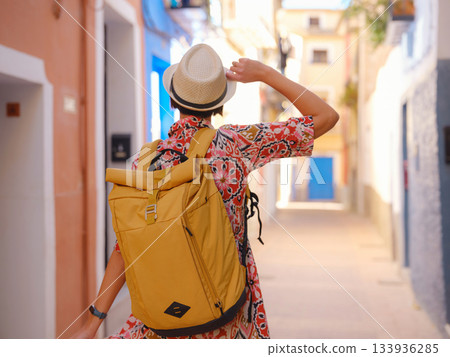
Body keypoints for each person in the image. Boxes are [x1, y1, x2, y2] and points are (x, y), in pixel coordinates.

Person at [72, 43, 339, 339]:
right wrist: (266, 74)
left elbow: (125, 248)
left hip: (162, 323)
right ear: (220, 104)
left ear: (173, 100)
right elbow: (326, 117)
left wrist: (93, 323)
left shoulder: (144, 162)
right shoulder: (238, 144)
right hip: (228, 319)